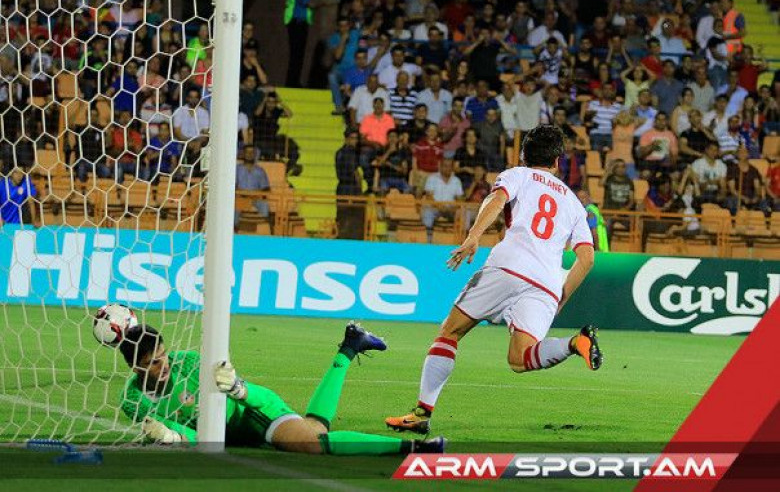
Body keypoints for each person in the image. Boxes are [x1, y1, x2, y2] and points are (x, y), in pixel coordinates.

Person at [385, 125, 600, 434]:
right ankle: (574, 343)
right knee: (520, 359)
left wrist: (474, 236)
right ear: (556, 162)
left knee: (450, 332)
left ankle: (421, 413)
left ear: (523, 156)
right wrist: (560, 297)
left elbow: (497, 200)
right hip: (547, 283)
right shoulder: (573, 202)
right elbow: (587, 258)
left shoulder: (518, 175)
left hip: (509, 266)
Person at [120, 323, 445, 454]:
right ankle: (350, 346)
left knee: (312, 443)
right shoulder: (133, 399)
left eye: (163, 355)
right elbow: (187, 431)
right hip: (227, 436)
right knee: (315, 426)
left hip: (252, 412)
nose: (164, 365)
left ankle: (416, 449)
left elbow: (241, 389)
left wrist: (238, 388)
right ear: (136, 368)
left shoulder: (188, 363)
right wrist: (174, 436)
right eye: (153, 363)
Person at [421, 158, 464, 241]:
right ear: (440, 167)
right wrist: (439, 206)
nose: (448, 168)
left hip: (451, 209)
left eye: (450, 166)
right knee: (427, 212)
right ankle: (428, 239)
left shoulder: (456, 180)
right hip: (435, 207)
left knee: (464, 213)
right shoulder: (432, 178)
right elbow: (429, 197)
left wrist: (453, 208)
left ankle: (462, 240)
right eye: (445, 166)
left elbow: (460, 200)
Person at [284, 0, 316, 87]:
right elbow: (309, 4)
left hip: (299, 24)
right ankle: (292, 82)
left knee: (298, 54)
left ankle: (294, 80)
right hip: (297, 24)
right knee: (296, 54)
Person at [235, 146, 270, 227]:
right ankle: (234, 229)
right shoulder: (237, 169)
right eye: (247, 152)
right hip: (240, 197)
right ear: (243, 154)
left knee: (264, 205)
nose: (250, 154)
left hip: (256, 198)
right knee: (235, 205)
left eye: (252, 152)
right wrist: (242, 194)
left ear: (255, 155)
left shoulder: (260, 170)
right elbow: (232, 185)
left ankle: (263, 228)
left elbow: (266, 188)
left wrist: (256, 194)